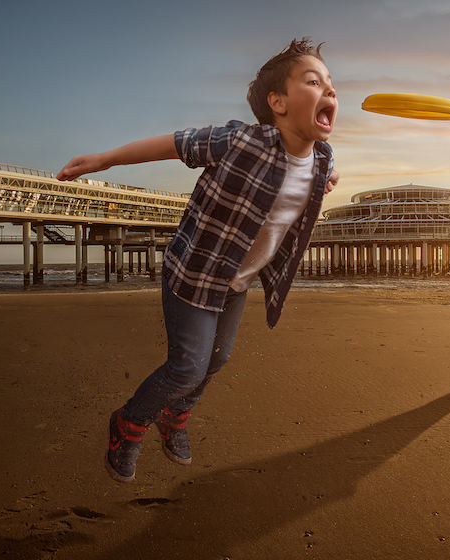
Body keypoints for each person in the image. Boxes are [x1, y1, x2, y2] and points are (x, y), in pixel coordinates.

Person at [57, 38, 339, 482]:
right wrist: (104, 160)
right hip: (193, 273)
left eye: (331, 84)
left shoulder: (322, 158)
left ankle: (175, 417)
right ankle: (128, 424)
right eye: (314, 81)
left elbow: (319, 169)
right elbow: (173, 143)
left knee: (217, 360)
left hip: (236, 282)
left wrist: (331, 176)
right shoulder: (242, 140)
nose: (329, 91)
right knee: (188, 365)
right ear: (277, 102)